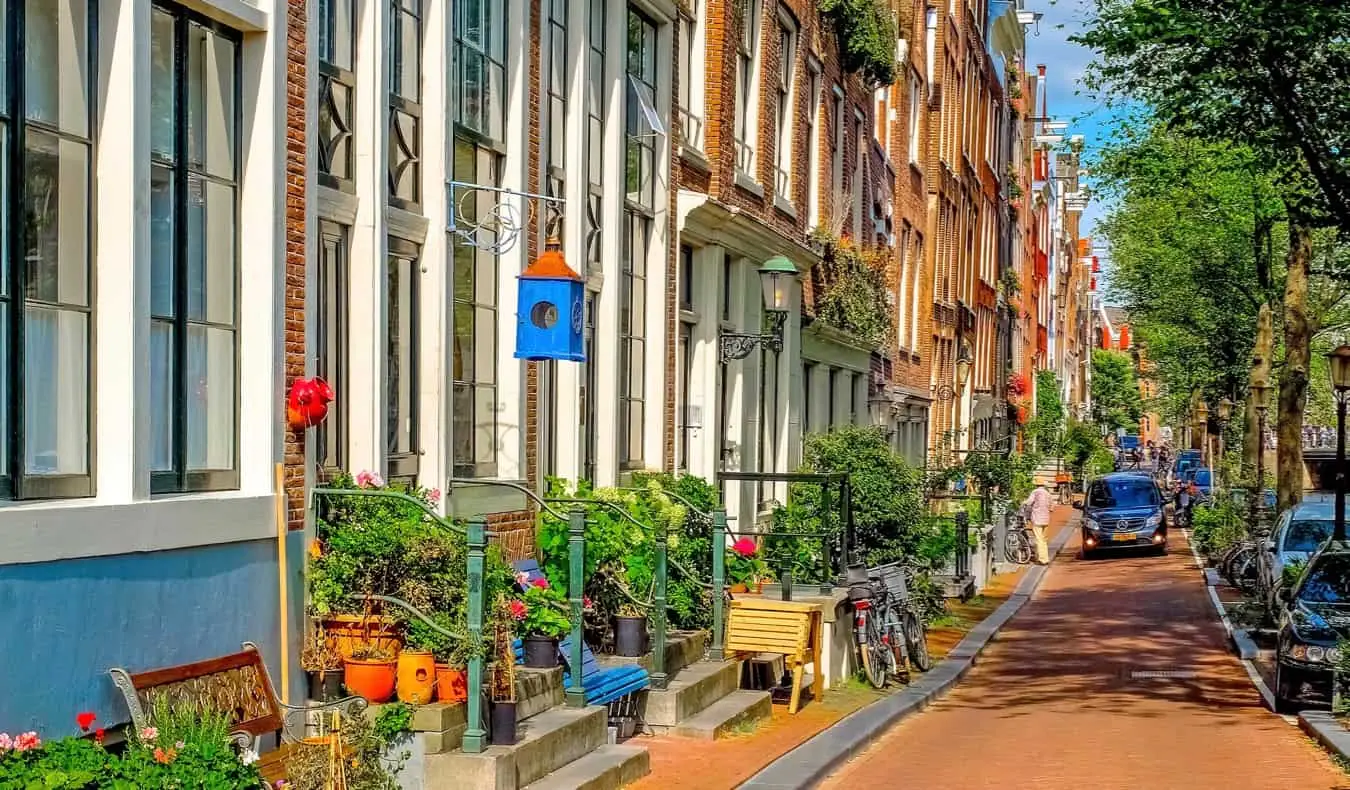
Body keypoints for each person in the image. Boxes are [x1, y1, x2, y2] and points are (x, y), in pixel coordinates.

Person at [1022, 482, 1053, 565]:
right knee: (1044, 539)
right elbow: (1051, 506)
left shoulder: (1035, 492)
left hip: (1037, 519)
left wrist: (1023, 503)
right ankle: (1046, 557)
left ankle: (1042, 559)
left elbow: (1029, 502)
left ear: (1036, 485)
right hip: (1046, 519)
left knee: (1039, 539)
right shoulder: (1048, 494)